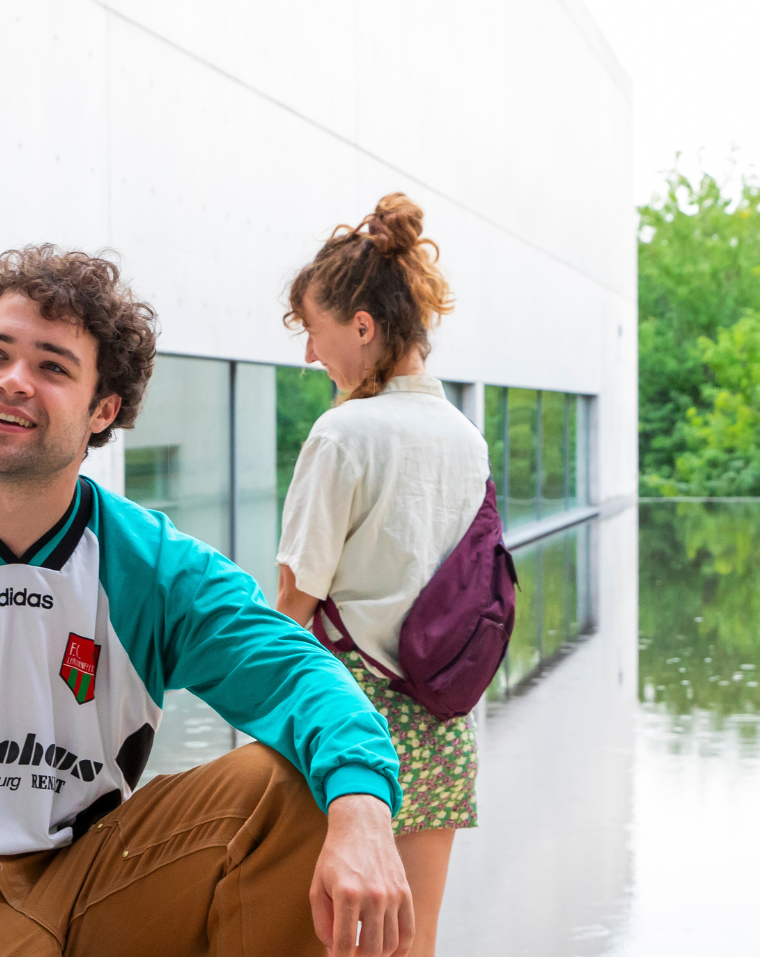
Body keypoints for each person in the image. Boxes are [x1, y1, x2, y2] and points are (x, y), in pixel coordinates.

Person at [0, 246, 416, 957]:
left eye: (52, 366)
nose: (12, 382)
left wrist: (362, 807)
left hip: (91, 879)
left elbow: (298, 671)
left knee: (291, 787)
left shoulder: (147, 564)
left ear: (102, 409)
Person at [272, 193, 487, 957]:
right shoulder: (467, 439)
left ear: (362, 327)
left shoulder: (341, 434)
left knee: (318, 939)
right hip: (441, 715)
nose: (309, 354)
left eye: (314, 331)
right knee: (412, 941)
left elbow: (295, 599)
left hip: (346, 723)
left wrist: (249, 728)